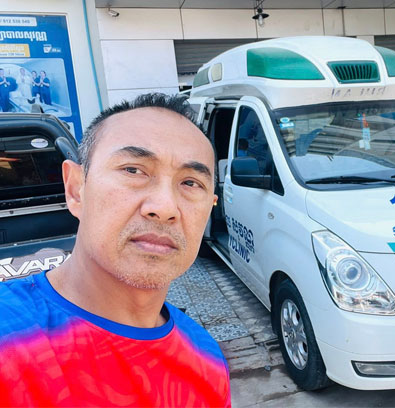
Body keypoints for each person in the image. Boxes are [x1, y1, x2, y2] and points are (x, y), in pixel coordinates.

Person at [0, 93, 230, 407]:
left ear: (210, 207)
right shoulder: (9, 336)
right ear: (76, 189)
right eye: (133, 170)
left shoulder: (207, 359)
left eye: (190, 183)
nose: (165, 207)